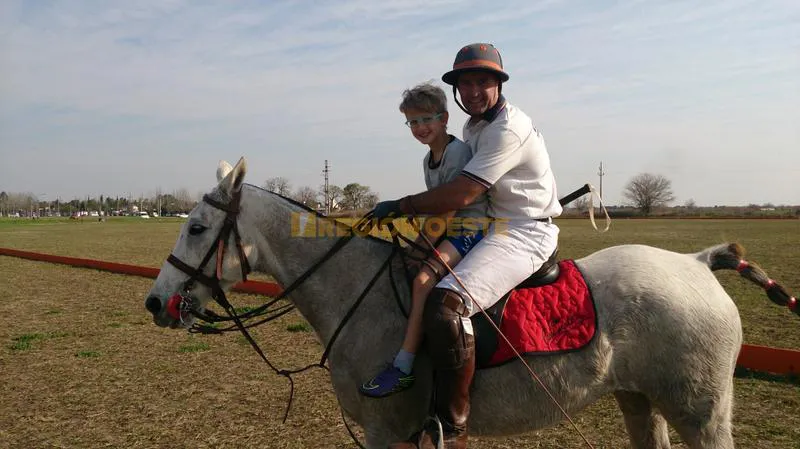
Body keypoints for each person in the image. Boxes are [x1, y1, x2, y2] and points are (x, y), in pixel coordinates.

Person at [374, 43, 562, 449]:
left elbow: (460, 194)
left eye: (483, 81)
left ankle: (451, 428)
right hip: (496, 226)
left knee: (446, 304)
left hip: (524, 232)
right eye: (465, 83)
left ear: (499, 83)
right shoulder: (475, 127)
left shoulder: (506, 128)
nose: (474, 91)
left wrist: (401, 206)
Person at [359, 82, 488, 398]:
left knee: (422, 279)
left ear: (444, 118)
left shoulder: (457, 153)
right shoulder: (428, 159)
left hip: (469, 230)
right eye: (413, 122)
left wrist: (419, 247)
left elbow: (449, 207)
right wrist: (416, 243)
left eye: (426, 119)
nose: (420, 128)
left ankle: (403, 366)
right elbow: (434, 213)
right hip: (447, 228)